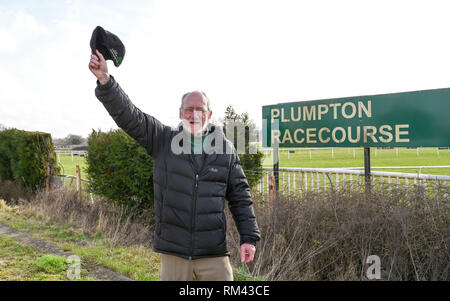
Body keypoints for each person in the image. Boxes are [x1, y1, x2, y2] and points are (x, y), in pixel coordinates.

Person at [88, 50, 260, 281]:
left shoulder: (226, 150)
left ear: (209, 114)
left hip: (213, 253)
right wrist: (105, 81)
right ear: (180, 113)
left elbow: (241, 197)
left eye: (200, 109)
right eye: (189, 109)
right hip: (174, 253)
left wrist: (248, 237)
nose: (194, 114)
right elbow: (131, 116)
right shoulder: (163, 140)